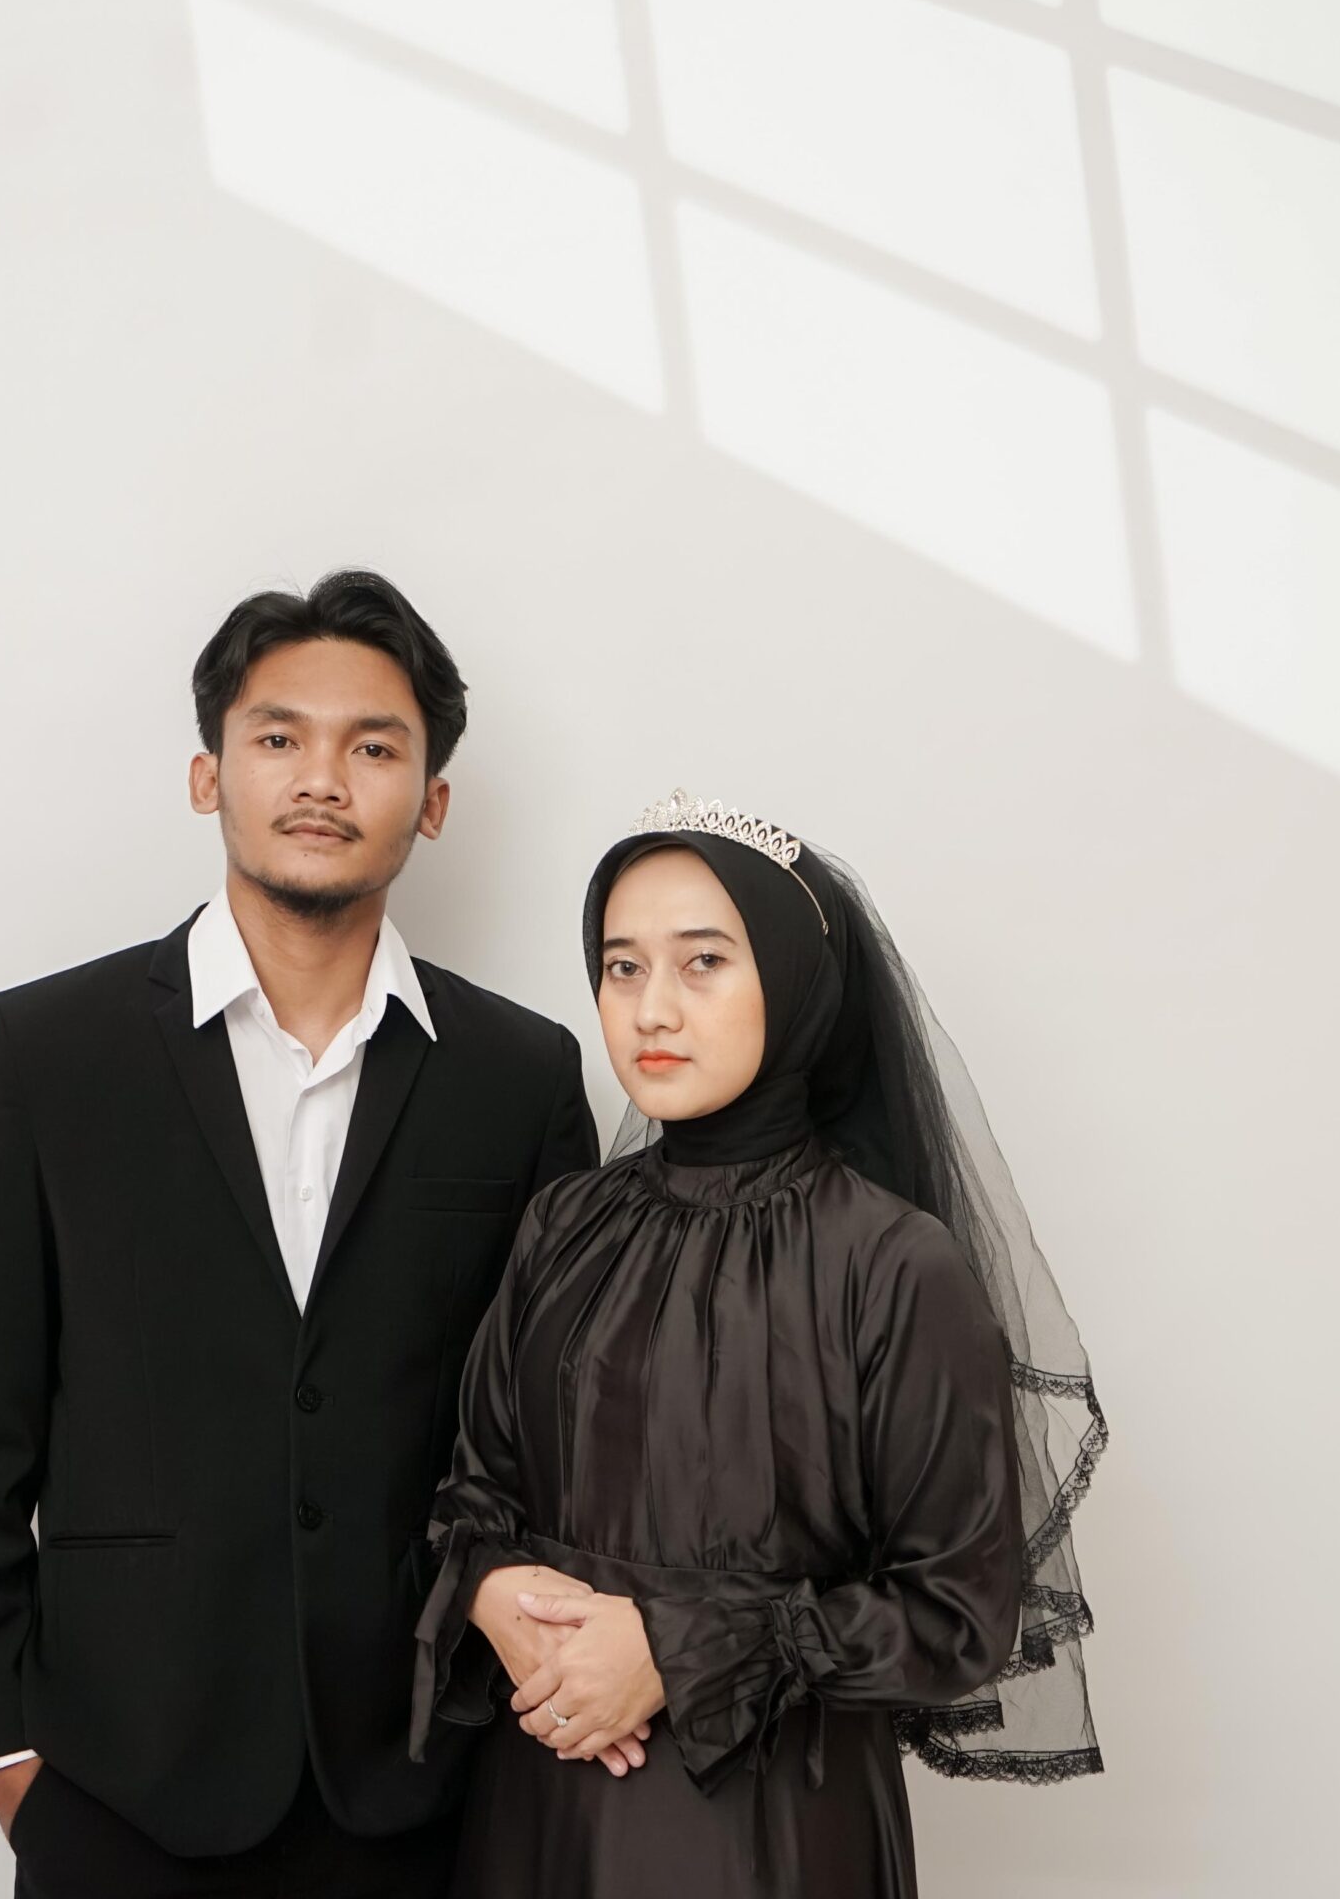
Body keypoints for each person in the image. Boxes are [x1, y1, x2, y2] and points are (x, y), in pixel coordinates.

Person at [0, 571, 605, 1898]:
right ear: (207, 774)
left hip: (421, 1784)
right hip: (115, 1781)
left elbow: (554, 1438)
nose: (321, 778)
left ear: (433, 800)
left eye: (374, 748)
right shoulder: (45, 1052)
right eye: (278, 736)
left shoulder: (518, 1076)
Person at [413, 791, 1106, 1897]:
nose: (652, 1008)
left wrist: (673, 1653)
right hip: (537, 1796)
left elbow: (957, 1615)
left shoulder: (893, 1262)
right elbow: (476, 1491)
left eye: (703, 962)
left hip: (767, 1829)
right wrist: (489, 1587)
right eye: (622, 966)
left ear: (792, 981)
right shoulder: (564, 1224)